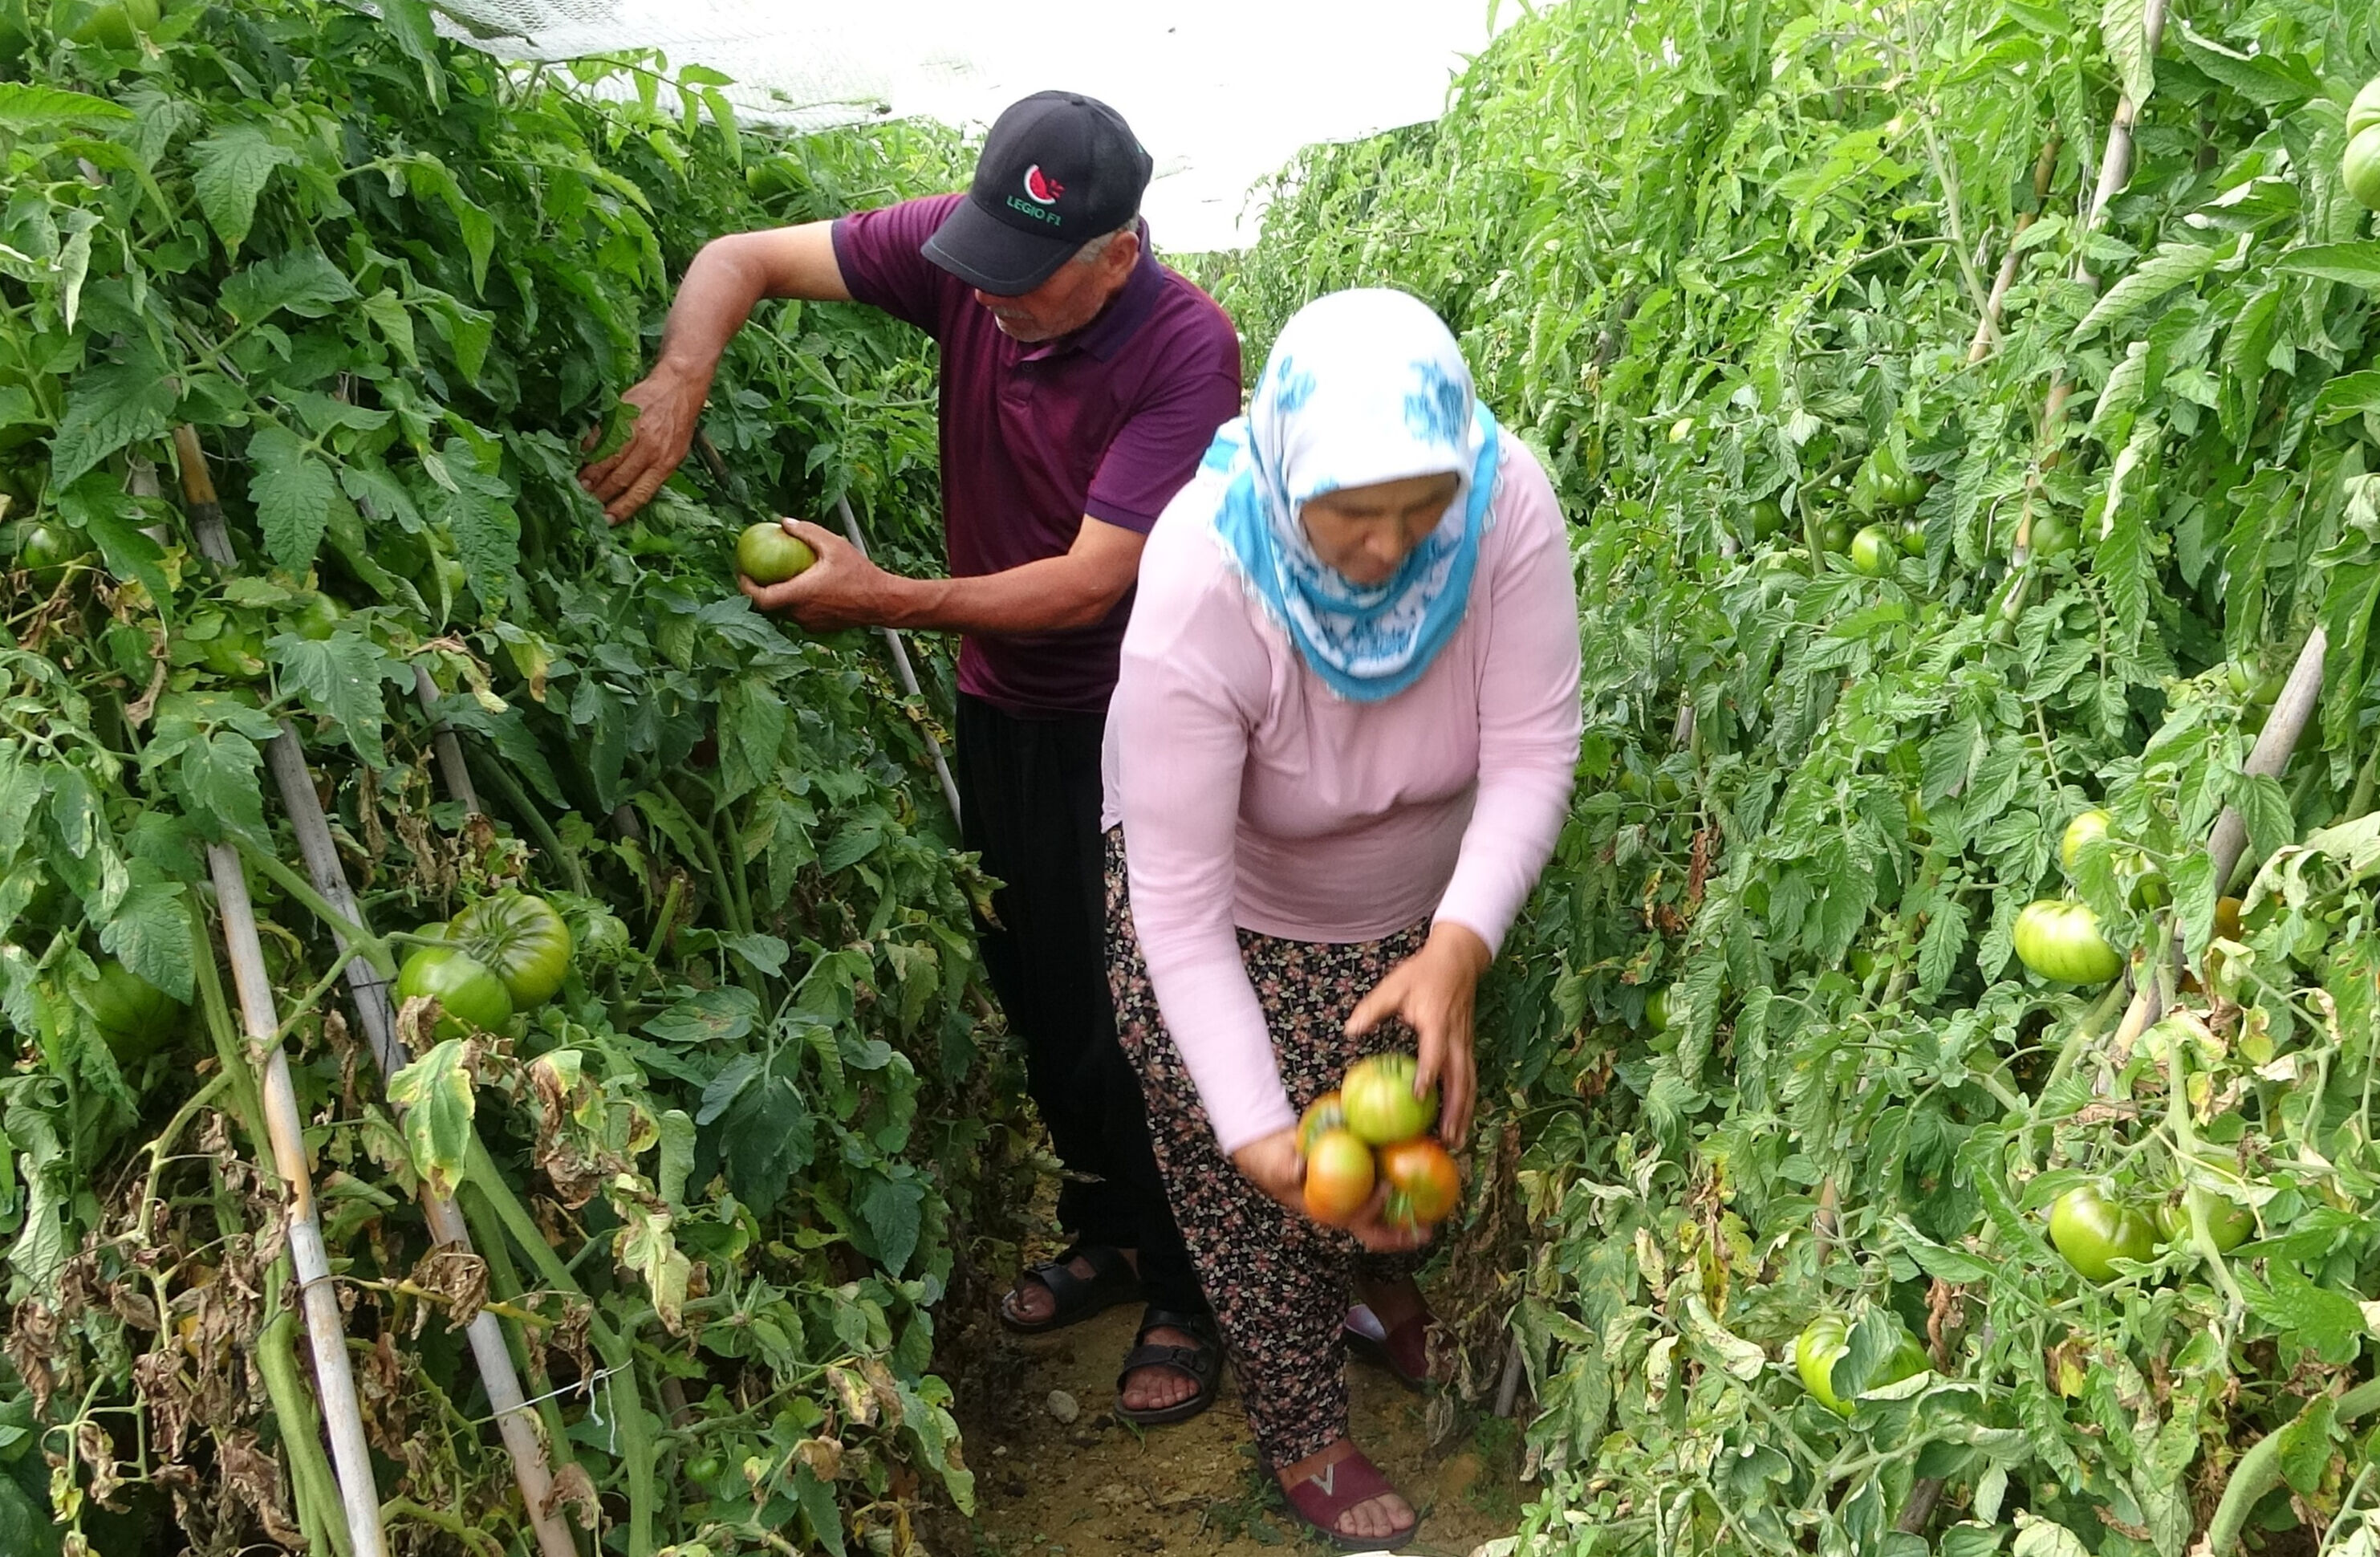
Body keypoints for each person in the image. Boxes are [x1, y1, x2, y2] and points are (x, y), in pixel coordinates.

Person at [579, 91, 1243, 1424]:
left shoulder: (1184, 350)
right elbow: (741, 258)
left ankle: (1192, 1284)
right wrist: (681, 376)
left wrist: (881, 597)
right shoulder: (974, 256)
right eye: (984, 267)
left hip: (1138, 721)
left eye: (1028, 280)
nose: (991, 303)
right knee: (1044, 980)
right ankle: (1110, 1229)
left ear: (1117, 252)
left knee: (1151, 1008)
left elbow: (1085, 584)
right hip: (1005, 707)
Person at [1102, 288, 1582, 1547]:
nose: (1390, 549)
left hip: (1412, 911)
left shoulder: (1502, 498)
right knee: (1257, 1198)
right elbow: (1180, 911)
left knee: (1397, 1143)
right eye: (1352, 518)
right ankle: (1302, 1424)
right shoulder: (1204, 578)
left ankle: (1373, 1294)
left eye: (1421, 514)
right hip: (1230, 919)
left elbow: (1531, 749)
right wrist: (1258, 1134)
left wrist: (1458, 944)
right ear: (1283, 477)